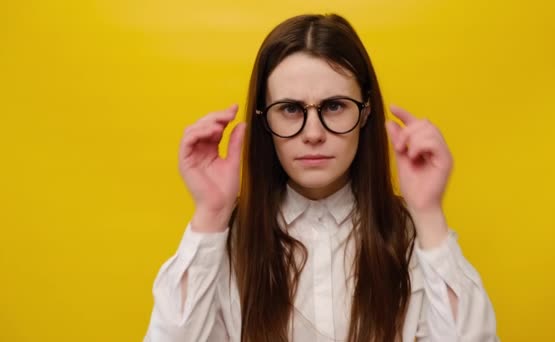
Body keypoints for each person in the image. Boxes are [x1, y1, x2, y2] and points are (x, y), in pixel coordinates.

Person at [144, 13, 498, 342]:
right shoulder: (225, 242)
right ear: (265, 119)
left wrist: (429, 215)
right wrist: (209, 215)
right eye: (290, 109)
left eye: (334, 106)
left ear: (365, 113)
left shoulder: (410, 237)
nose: (313, 133)